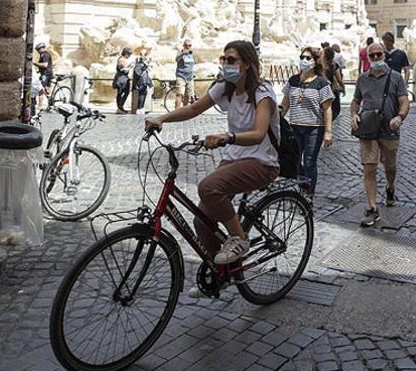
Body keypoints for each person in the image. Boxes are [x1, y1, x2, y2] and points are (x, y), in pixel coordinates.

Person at [144, 40, 281, 268]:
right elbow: (194, 108)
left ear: (246, 64)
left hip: (261, 161)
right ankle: (221, 272)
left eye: (231, 60)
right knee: (202, 221)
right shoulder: (225, 87)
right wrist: (161, 118)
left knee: (208, 187)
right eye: (223, 59)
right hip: (234, 158)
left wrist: (228, 137)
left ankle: (239, 239)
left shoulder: (262, 92)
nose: (225, 64)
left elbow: (258, 134)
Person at [350, 42, 410, 227]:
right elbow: (355, 101)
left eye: (379, 54)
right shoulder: (362, 79)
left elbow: (404, 101)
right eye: (372, 56)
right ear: (368, 58)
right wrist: (353, 114)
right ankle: (372, 208)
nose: (376, 58)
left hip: (389, 130)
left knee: (390, 167)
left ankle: (390, 188)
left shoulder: (396, 77)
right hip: (368, 130)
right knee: (369, 168)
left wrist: (400, 117)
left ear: (384, 55)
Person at [279, 47, 334, 196]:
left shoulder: (321, 83)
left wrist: (328, 132)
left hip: (314, 128)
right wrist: (276, 117)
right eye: (302, 57)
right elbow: (285, 104)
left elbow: (327, 109)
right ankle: (304, 185)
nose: (304, 60)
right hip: (295, 127)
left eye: (308, 58)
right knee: (294, 160)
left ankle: (309, 194)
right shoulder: (293, 81)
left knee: (309, 162)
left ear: (315, 62)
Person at [320, 45, 344, 119]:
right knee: (334, 110)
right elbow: (339, 79)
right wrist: (343, 87)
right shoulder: (335, 65)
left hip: (323, 92)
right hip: (333, 91)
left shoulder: (319, 67)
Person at [175, 39, 196, 110]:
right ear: (183, 45)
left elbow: (192, 65)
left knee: (188, 96)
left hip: (190, 78)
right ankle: (176, 112)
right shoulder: (180, 52)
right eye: (186, 45)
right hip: (181, 76)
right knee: (180, 94)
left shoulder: (191, 54)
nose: (188, 47)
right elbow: (177, 60)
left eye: (189, 45)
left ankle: (184, 112)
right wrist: (183, 53)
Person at [131, 49, 153, 114]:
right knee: (142, 94)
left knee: (142, 94)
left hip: (139, 79)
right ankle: (140, 108)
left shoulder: (138, 60)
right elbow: (143, 68)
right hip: (142, 80)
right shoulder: (141, 61)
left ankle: (141, 108)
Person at [33, 42, 53, 109]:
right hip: (47, 73)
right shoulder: (44, 54)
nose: (38, 51)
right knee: (46, 89)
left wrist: (35, 63)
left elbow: (45, 65)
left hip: (46, 74)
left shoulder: (44, 54)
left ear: (41, 48)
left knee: (40, 89)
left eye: (38, 50)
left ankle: (40, 106)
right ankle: (50, 103)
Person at [114, 47, 132, 113]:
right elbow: (124, 70)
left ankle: (120, 107)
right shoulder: (122, 59)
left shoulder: (120, 59)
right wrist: (130, 67)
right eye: (129, 54)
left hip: (122, 78)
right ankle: (120, 107)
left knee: (122, 92)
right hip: (122, 79)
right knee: (122, 92)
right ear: (126, 53)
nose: (129, 56)